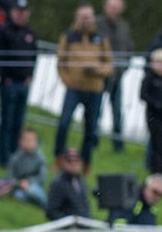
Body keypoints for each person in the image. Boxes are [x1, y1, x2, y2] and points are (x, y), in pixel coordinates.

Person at [55, 3, 111, 171]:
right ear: (77, 18)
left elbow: (109, 64)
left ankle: (86, 163)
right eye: (82, 17)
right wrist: (67, 80)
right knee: (64, 123)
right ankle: (58, 158)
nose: (86, 20)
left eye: (88, 17)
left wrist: (98, 71)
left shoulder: (101, 38)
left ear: (93, 18)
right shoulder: (68, 36)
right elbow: (60, 62)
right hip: (74, 88)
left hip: (94, 89)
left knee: (90, 129)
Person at [0, 0, 37, 166]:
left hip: (23, 84)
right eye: (18, 11)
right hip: (9, 83)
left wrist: (30, 75)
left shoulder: (30, 33)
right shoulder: (5, 31)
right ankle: (4, 157)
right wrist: (4, 77)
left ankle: (16, 157)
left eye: (24, 11)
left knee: (18, 123)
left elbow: (34, 57)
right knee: (6, 122)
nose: (21, 14)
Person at [96, 0, 130, 154]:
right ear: (105, 8)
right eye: (112, 7)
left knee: (117, 112)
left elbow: (129, 48)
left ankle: (118, 145)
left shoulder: (124, 27)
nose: (114, 10)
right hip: (99, 76)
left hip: (117, 76)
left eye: (117, 8)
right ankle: (93, 140)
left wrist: (123, 67)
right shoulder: (96, 24)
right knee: (96, 110)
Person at [0, 127, 46, 208]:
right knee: (19, 196)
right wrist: (19, 183)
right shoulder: (15, 157)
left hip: (34, 185)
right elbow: (10, 176)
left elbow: (41, 177)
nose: (28, 143)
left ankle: (45, 204)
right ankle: (33, 204)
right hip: (19, 187)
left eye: (31, 140)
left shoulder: (40, 159)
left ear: (36, 142)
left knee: (32, 191)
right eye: (26, 140)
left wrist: (28, 182)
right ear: (20, 142)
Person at [45, 147, 91, 220]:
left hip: (84, 227)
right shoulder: (58, 183)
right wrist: (69, 223)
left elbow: (85, 208)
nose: (74, 163)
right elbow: (51, 211)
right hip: (67, 229)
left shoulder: (81, 182)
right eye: (69, 160)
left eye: (77, 160)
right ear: (63, 162)